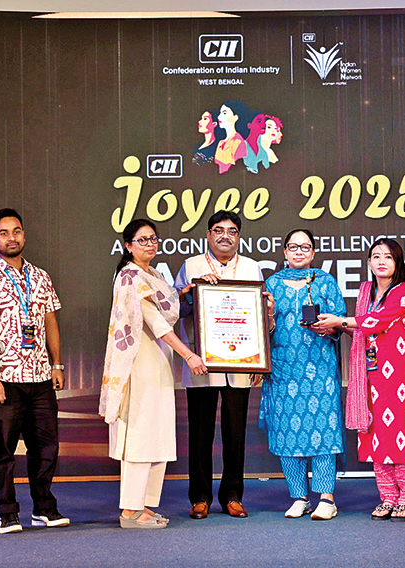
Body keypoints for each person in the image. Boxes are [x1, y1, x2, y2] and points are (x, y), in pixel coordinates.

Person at [100, 219, 207, 529]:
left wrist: (184, 293)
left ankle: (144, 505)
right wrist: (189, 355)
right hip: (138, 364)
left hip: (158, 362)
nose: (149, 244)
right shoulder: (130, 276)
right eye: (142, 240)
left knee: (156, 434)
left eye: (153, 239)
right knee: (140, 436)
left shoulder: (156, 275)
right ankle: (130, 511)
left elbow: (168, 309)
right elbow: (157, 323)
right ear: (128, 245)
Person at [0, 208, 69, 534]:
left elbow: (50, 322)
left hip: (41, 377)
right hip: (5, 380)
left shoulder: (40, 277)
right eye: (3, 233)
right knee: (3, 452)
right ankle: (7, 513)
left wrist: (56, 364)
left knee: (46, 448)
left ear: (24, 235)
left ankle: (44, 508)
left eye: (16, 231)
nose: (11, 238)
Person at [318, 238, 405, 521]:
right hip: (372, 374)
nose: (381, 262)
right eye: (376, 256)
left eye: (388, 257)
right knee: (377, 433)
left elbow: (378, 321)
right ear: (368, 262)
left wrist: (339, 321)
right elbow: (364, 330)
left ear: (397, 262)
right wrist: (334, 328)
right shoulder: (367, 291)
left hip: (401, 374)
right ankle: (388, 498)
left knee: (401, 432)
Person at [174, 211, 266, 519]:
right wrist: (191, 292)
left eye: (232, 231)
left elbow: (258, 316)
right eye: (218, 230)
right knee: (200, 432)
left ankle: (233, 496)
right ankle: (200, 497)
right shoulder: (191, 266)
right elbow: (176, 311)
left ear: (239, 237)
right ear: (208, 235)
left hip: (241, 361)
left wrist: (258, 360)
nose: (225, 236)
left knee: (235, 433)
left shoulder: (251, 267)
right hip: (202, 361)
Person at [260, 229, 346, 520]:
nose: (299, 252)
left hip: (320, 368)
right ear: (284, 251)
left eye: (305, 247)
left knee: (324, 430)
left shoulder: (325, 281)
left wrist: (328, 326)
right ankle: (299, 497)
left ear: (313, 252)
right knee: (287, 433)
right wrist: (269, 313)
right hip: (283, 369)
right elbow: (263, 330)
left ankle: (326, 498)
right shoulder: (271, 284)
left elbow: (341, 323)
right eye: (293, 247)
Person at [214, 101, 250, 174]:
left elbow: (237, 170)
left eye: (224, 113)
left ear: (235, 117)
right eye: (220, 113)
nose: (219, 117)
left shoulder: (238, 142)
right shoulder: (221, 143)